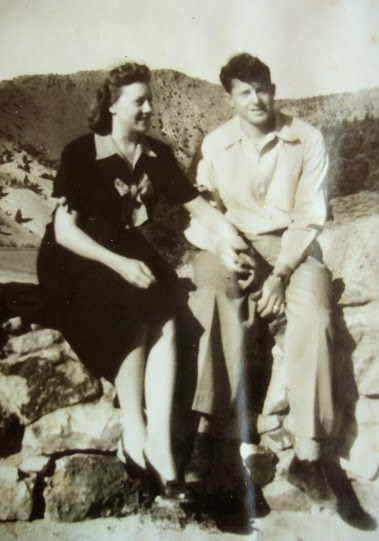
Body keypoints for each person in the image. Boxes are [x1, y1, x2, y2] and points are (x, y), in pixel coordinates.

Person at [28, 62, 248, 503]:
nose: (149, 109)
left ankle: (160, 450)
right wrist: (119, 264)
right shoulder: (81, 153)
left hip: (126, 250)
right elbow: (65, 231)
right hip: (78, 257)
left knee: (167, 312)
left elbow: (200, 210)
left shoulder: (156, 156)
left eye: (151, 100)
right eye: (139, 101)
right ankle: (135, 429)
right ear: (112, 106)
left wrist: (237, 244)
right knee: (132, 302)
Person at [185, 53, 336, 505]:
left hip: (293, 248)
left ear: (274, 90)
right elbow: (202, 212)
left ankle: (308, 456)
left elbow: (309, 216)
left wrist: (281, 273)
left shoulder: (307, 138)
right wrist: (228, 246)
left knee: (314, 313)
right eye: (245, 92)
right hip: (233, 245)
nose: (256, 100)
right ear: (230, 98)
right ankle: (205, 435)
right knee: (212, 291)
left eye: (262, 89)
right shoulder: (215, 144)